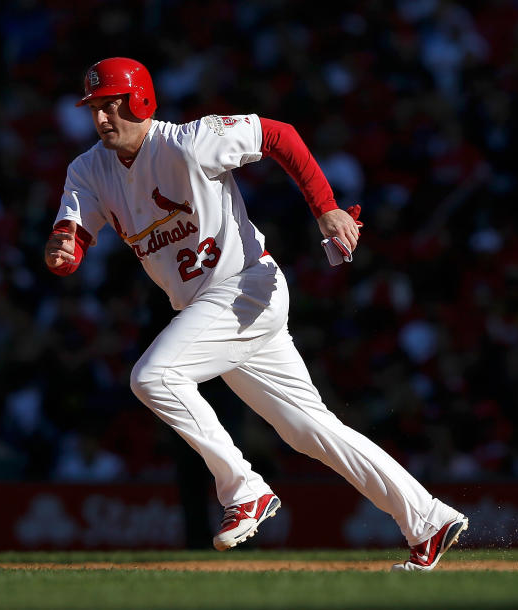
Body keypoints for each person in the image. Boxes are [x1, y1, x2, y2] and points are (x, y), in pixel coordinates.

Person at [44, 57, 468, 571]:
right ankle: (428, 518)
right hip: (210, 311)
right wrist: (63, 248)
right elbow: (74, 232)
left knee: (153, 377)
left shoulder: (188, 141)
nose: (102, 119)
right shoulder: (88, 168)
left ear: (140, 101)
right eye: (95, 109)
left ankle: (243, 489)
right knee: (309, 431)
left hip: (243, 288)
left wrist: (326, 207)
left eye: (111, 105)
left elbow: (279, 135)